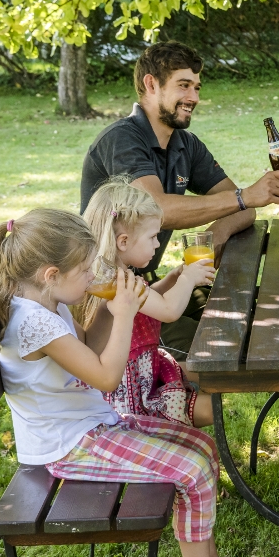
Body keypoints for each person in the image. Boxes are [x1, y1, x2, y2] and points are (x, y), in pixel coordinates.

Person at [0, 209, 219, 557]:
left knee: (203, 447)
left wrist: (112, 305)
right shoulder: (35, 323)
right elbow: (107, 378)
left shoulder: (47, 302)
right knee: (194, 469)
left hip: (92, 426)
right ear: (51, 274)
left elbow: (90, 348)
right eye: (85, 270)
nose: (92, 276)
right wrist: (124, 314)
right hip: (67, 446)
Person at [81, 41, 279, 360]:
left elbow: (242, 210)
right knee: (222, 347)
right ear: (151, 84)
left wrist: (215, 235)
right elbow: (159, 209)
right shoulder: (122, 140)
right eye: (183, 85)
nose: (194, 97)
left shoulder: (186, 144)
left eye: (196, 87)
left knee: (246, 317)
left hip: (148, 288)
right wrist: (245, 196)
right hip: (107, 303)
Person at [79, 177, 216, 428]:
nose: (157, 244)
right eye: (153, 237)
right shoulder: (118, 282)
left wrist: (172, 280)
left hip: (145, 373)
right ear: (123, 241)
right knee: (211, 408)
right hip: (133, 397)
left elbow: (146, 301)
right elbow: (168, 310)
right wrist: (187, 279)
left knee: (211, 384)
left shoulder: (111, 276)